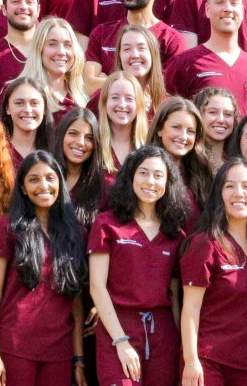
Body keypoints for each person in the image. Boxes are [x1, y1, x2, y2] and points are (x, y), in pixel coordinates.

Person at [88, 146, 194, 386]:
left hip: (163, 333)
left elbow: (175, 295)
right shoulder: (107, 224)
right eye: (143, 173)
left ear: (168, 183)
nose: (150, 181)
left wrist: (181, 346)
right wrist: (120, 341)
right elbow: (97, 287)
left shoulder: (175, 234)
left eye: (159, 175)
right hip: (119, 327)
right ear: (130, 176)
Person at [0, 152, 88, 385]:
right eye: (33, 179)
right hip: (14, 347)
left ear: (60, 182)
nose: (43, 186)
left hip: (59, 351)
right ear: (22, 187)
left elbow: (76, 302)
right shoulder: (8, 228)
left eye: (50, 178)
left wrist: (78, 357)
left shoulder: (76, 233)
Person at [178, 158, 247, 385]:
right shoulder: (204, 244)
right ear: (218, 194)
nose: (238, 193)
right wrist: (191, 361)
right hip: (207, 363)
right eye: (229, 186)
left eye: (246, 186)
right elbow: (190, 308)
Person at [166, 0, 247, 111]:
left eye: (234, 3)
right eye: (219, 2)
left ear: (242, 11)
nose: (228, 9)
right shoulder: (184, 64)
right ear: (207, 10)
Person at [87, 0, 188, 74]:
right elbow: (89, 83)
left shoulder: (172, 39)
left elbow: (167, 88)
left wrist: (110, 80)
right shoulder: (101, 33)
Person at [14, 17, 90, 111]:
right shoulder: (18, 93)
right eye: (52, 44)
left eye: (67, 45)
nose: (61, 52)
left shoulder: (85, 97)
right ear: (39, 49)